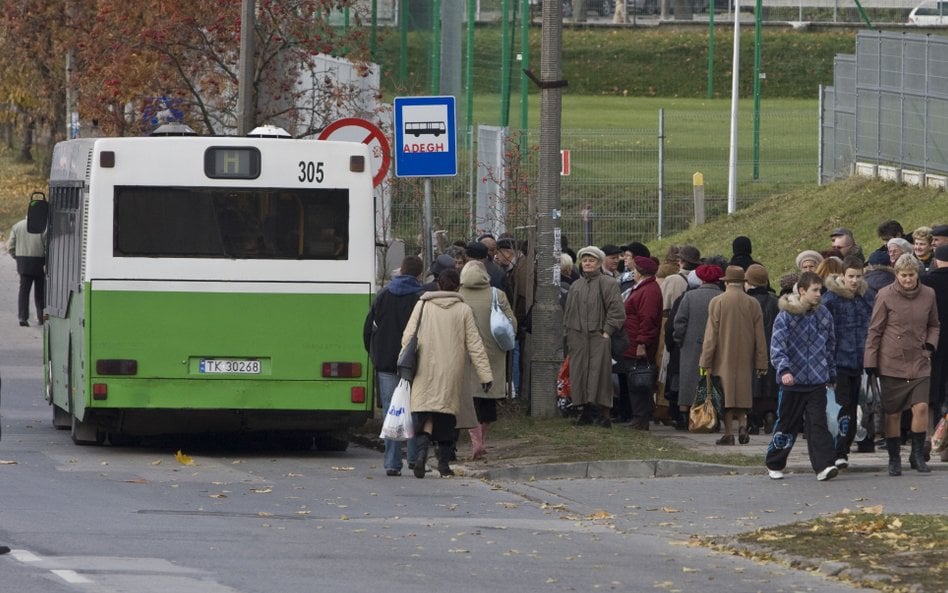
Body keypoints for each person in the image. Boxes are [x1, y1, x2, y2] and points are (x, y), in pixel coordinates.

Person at [402, 269, 493, 478]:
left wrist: (405, 365)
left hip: (424, 370)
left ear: (438, 285)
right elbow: (475, 345)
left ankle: (422, 451)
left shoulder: (423, 305)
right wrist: (485, 376)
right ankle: (443, 464)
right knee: (446, 417)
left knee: (426, 411)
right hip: (452, 371)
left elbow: (408, 337)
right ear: (458, 287)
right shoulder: (463, 310)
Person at [864, 253, 940, 476]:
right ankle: (894, 457)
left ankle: (916, 455)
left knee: (922, 407)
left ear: (918, 274)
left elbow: (934, 324)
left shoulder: (928, 294)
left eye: (912, 274)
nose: (908, 279)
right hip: (892, 361)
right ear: (896, 275)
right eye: (904, 275)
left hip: (919, 359)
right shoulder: (885, 295)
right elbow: (875, 329)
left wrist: (930, 345)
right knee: (893, 412)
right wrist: (870, 360)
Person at [766, 271, 840, 482]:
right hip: (792, 382)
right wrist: (784, 370)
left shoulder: (824, 314)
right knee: (787, 424)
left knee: (818, 424)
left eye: (820, 290)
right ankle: (775, 462)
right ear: (802, 291)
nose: (819, 294)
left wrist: (831, 373)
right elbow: (777, 347)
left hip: (817, 380)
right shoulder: (786, 315)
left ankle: (824, 466)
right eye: (815, 290)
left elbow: (829, 346)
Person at [363, 256, 425, 476]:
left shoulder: (383, 295)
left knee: (392, 410)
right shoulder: (421, 298)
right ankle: (414, 456)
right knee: (415, 408)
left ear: (401, 271)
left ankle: (392, 462)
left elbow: (368, 328)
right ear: (419, 274)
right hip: (415, 362)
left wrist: (375, 355)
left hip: (386, 362)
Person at [699, 266, 768, 445]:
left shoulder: (718, 301)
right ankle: (743, 425)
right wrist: (761, 362)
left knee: (726, 395)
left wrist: (705, 360)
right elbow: (760, 336)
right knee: (743, 393)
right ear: (743, 283)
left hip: (722, 356)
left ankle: (729, 433)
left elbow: (711, 335)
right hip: (746, 356)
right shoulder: (753, 303)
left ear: (726, 282)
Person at [458, 260, 516, 460]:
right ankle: (482, 440)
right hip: (492, 355)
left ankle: (475, 441)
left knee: (469, 400)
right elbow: (511, 324)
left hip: (465, 354)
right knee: (487, 400)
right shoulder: (496, 294)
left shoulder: (458, 294)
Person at [563, 246, 626, 428]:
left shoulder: (608, 283)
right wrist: (569, 334)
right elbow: (568, 312)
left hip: (599, 336)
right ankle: (584, 410)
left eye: (591, 260)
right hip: (578, 336)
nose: (588, 263)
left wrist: (607, 331)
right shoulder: (576, 285)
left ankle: (603, 413)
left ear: (599, 263)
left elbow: (617, 310)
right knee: (579, 372)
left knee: (600, 374)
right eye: (585, 260)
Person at [821, 256, 875, 465]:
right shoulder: (830, 299)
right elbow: (825, 333)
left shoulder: (866, 297)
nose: (854, 281)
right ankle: (839, 451)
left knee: (855, 408)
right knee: (841, 408)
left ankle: (845, 447)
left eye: (858, 276)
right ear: (842, 275)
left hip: (861, 362)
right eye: (851, 276)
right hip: (838, 362)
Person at [673, 264, 723, 422]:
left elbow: (679, 322)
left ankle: (684, 413)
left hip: (690, 345)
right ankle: (712, 413)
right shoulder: (722, 296)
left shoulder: (689, 296)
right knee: (712, 380)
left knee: (689, 379)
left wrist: (679, 340)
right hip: (717, 345)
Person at [620, 256, 663, 429]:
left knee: (639, 380)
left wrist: (642, 343)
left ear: (640, 272)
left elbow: (648, 319)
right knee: (634, 380)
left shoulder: (649, 291)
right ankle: (638, 417)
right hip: (631, 341)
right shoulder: (644, 288)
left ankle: (641, 418)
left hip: (637, 343)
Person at [744, 264, 779, 434]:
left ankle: (753, 421)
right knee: (770, 385)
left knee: (753, 385)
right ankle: (770, 414)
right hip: (772, 348)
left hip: (751, 349)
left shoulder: (747, 302)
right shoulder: (775, 301)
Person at [921, 244, 948, 462]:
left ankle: (929, 439)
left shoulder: (927, 282)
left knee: (933, 394)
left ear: (937, 260)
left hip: (934, 344)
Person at [7, 216, 47, 326]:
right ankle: (41, 316)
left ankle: (23, 317)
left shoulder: (17, 226)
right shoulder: (43, 227)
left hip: (23, 263)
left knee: (24, 291)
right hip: (39, 262)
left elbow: (10, 246)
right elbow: (47, 245)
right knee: (40, 292)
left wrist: (17, 257)